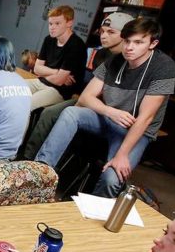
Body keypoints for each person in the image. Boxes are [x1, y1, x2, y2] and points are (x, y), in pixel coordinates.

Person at [35, 18, 175, 197]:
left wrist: (122, 155)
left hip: (136, 130)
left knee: (112, 179)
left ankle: (92, 214)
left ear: (153, 44)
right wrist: (110, 111)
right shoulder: (114, 61)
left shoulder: (163, 67)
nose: (129, 47)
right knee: (71, 112)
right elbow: (86, 97)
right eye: (127, 41)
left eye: (138, 42)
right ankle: (39, 175)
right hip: (108, 119)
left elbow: (146, 118)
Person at [20, 12, 134, 161]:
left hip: (110, 109)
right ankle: (28, 157)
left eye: (111, 32)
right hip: (89, 100)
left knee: (60, 113)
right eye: (102, 31)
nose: (104, 36)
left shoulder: (130, 60)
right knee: (49, 114)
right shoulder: (101, 55)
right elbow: (38, 70)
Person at [29, 5, 87, 110]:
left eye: (57, 23)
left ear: (69, 23)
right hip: (40, 82)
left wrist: (45, 73)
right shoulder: (49, 39)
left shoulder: (76, 45)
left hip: (60, 91)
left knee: (28, 104)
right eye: (50, 24)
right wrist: (56, 72)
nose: (52, 27)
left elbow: (59, 81)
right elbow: (36, 69)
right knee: (12, 91)